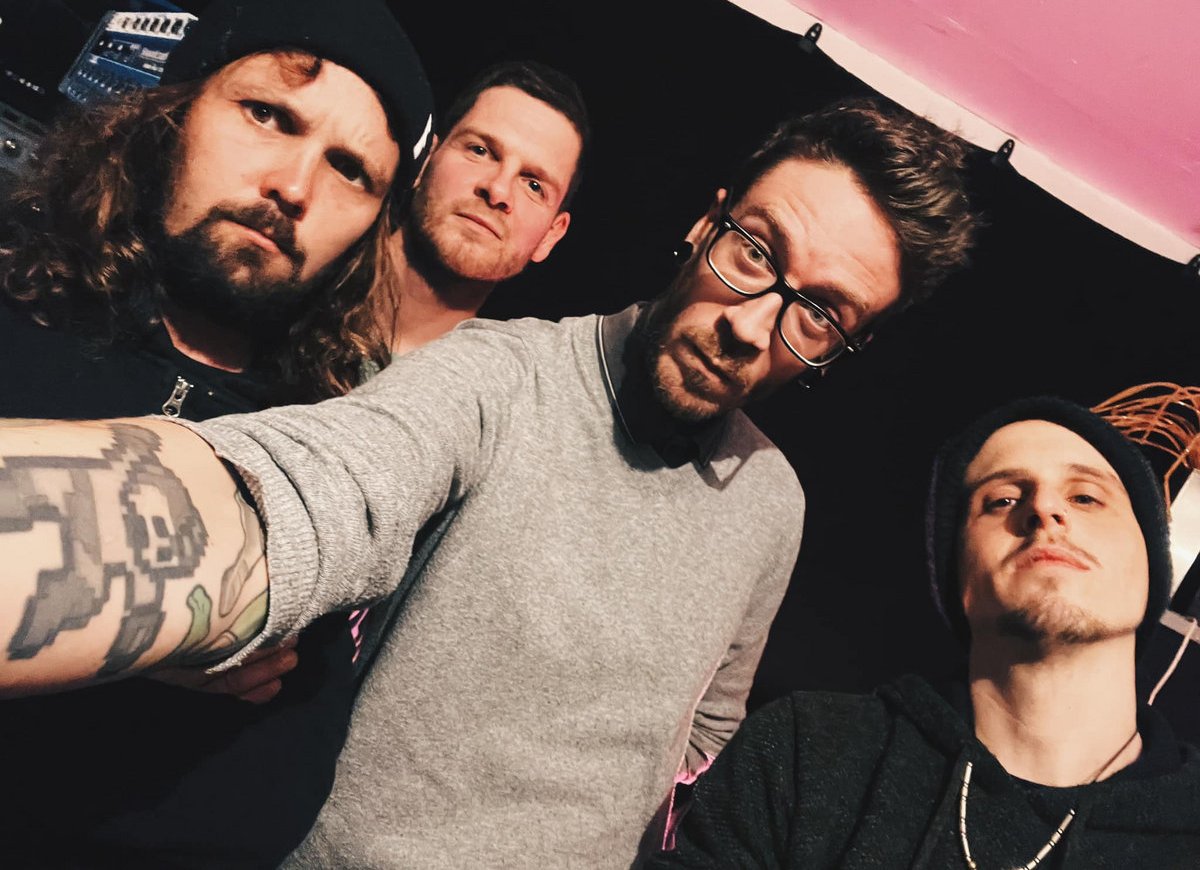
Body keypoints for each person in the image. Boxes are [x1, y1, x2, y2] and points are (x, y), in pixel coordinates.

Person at [0, 97, 975, 867]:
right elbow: (314, 487)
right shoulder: (494, 378)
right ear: (705, 223)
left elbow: (705, 731)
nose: (752, 325)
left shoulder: (774, 502)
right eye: (754, 251)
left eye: (821, 314)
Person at [0, 0, 436, 866]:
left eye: (351, 170)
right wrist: (145, 628)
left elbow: (267, 801)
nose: (295, 185)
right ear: (173, 111)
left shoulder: (317, 457)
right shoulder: (15, 304)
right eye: (268, 115)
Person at [648, 397, 1200, 869]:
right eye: (1002, 500)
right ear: (954, 572)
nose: (1044, 507)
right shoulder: (805, 753)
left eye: (1086, 497)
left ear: (1153, 564)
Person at [377, 59, 587, 356]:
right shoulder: (308, 268)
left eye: (533, 185)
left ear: (551, 236)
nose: (498, 190)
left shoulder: (505, 383)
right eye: (480, 151)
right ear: (428, 157)